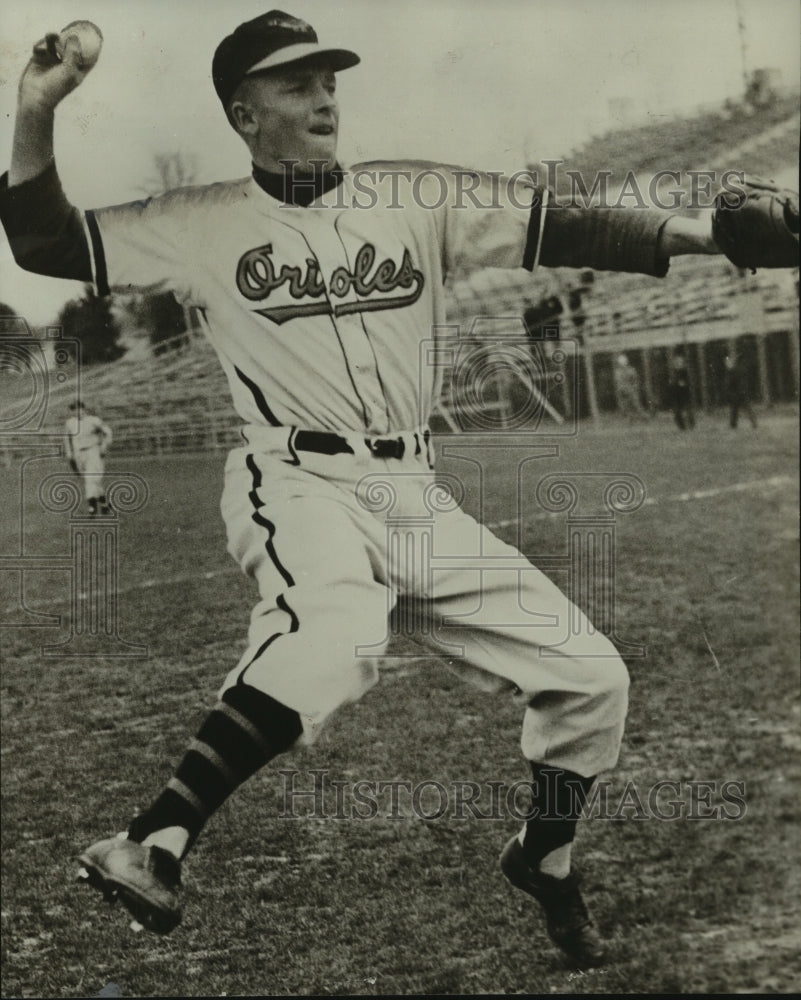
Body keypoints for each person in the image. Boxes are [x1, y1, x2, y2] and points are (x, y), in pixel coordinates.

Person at [0, 9, 785, 968]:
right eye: (295, 83)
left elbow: (563, 221)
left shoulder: (413, 194)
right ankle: (150, 841)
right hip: (295, 478)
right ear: (244, 115)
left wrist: (708, 231)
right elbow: (42, 243)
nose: (324, 95)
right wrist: (35, 107)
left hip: (409, 486)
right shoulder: (195, 222)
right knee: (333, 635)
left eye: (328, 77)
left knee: (591, 680)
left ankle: (544, 857)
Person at [64, 400, 113, 515]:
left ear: (83, 409)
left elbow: (108, 432)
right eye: (74, 410)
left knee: (90, 478)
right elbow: (67, 438)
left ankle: (92, 506)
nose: (77, 412)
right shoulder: (70, 423)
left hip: (93, 451)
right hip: (78, 454)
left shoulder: (93, 420)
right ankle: (104, 505)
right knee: (94, 481)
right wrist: (69, 452)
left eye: (78, 409)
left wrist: (104, 446)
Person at [723, 352, 758, 429]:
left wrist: (729, 391)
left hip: (736, 393)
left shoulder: (732, 371)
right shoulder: (741, 369)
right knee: (746, 408)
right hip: (742, 391)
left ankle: (733, 425)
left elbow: (730, 383)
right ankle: (753, 422)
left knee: (734, 410)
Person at [613, 353, 646, 420]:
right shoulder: (618, 372)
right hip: (623, 389)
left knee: (635, 403)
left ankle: (642, 415)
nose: (623, 365)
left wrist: (634, 387)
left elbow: (635, 379)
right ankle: (630, 416)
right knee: (625, 405)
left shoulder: (631, 370)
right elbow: (618, 382)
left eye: (624, 362)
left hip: (630, 389)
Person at [668, 348, 695, 430]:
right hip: (676, 395)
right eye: (676, 362)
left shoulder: (686, 372)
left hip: (685, 394)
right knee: (677, 412)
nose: (678, 364)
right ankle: (682, 427)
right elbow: (672, 384)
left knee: (688, 410)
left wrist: (684, 384)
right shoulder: (673, 373)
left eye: (680, 362)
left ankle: (691, 425)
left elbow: (689, 383)